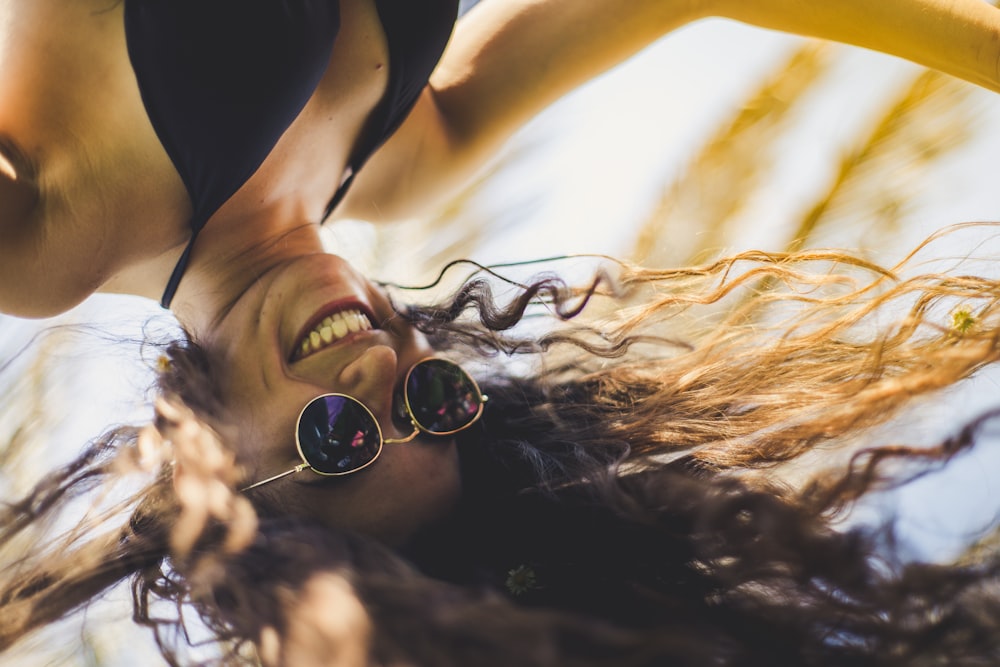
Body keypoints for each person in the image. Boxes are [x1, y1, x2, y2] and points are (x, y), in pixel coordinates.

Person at [3, 229, 1000, 665]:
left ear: (214, 476)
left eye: (344, 439)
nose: (382, 381)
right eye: (438, 398)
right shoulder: (399, 134)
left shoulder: (42, 246)